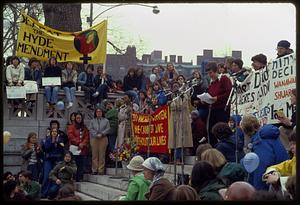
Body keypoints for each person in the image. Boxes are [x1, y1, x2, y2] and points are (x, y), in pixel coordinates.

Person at [240, 114, 289, 190]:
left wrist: (259, 194)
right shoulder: (267, 135)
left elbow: (261, 171)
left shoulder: (260, 142)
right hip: (283, 179)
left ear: (245, 131)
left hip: (276, 186)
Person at [205, 61, 232, 147]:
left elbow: (229, 92)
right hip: (213, 108)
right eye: (208, 73)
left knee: (222, 130)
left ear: (216, 71)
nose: (210, 75)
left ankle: (224, 147)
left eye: (211, 73)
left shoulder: (224, 79)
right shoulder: (212, 82)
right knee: (211, 130)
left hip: (222, 109)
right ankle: (213, 148)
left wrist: (217, 98)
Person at [41, 128, 65, 198]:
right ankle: (44, 193)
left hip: (56, 160)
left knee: (54, 176)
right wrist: (52, 142)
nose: (54, 133)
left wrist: (57, 142)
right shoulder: (48, 139)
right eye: (53, 131)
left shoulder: (60, 139)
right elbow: (46, 148)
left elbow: (61, 149)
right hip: (48, 159)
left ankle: (51, 193)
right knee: (46, 176)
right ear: (51, 132)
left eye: (56, 131)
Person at [67, 112, 89, 181]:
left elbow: (87, 136)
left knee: (81, 163)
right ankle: (73, 177)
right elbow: (71, 136)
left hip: (82, 148)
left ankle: (80, 177)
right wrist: (78, 143)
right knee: (73, 163)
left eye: (80, 118)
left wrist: (83, 143)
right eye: (77, 118)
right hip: (74, 148)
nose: (79, 119)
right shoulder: (71, 127)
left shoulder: (84, 127)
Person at [88, 108, 110, 175]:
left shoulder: (106, 121)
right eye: (97, 112)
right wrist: (95, 134)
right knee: (94, 155)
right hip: (94, 138)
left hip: (103, 138)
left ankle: (101, 170)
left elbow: (108, 129)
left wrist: (102, 134)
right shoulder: (92, 121)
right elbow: (90, 129)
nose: (98, 113)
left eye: (100, 111)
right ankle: (94, 169)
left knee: (102, 154)